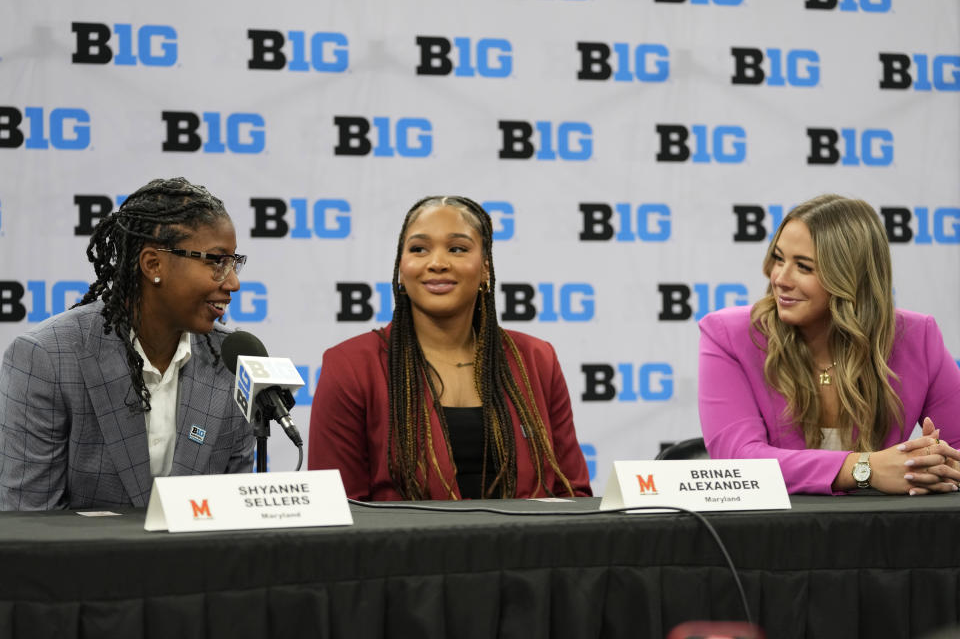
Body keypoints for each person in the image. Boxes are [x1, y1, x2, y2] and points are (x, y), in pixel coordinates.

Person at [309, 196, 592, 500]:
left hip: (525, 546)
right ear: (401, 271)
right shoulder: (351, 365)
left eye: (457, 249)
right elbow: (336, 507)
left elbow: (572, 492)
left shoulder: (536, 359)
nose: (437, 263)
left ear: (485, 269)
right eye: (419, 249)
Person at [0, 177, 254, 510]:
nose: (233, 282)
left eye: (234, 263)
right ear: (153, 264)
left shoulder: (232, 361)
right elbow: (30, 524)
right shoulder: (48, 358)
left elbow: (235, 515)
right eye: (216, 262)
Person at [698, 194, 960, 495]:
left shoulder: (917, 337)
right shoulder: (729, 335)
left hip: (881, 533)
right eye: (779, 259)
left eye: (804, 267)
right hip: (772, 534)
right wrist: (866, 468)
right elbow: (737, 461)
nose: (780, 279)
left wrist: (938, 465)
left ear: (851, 278)